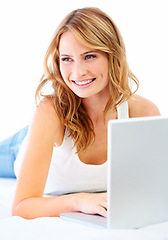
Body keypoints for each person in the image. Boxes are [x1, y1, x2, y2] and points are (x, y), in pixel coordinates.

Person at [1, 7, 160, 219]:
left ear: (112, 56)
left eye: (90, 56)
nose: (78, 72)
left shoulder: (143, 112)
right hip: (22, 146)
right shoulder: (50, 112)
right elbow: (22, 206)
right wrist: (79, 200)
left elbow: (154, 190)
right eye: (67, 59)